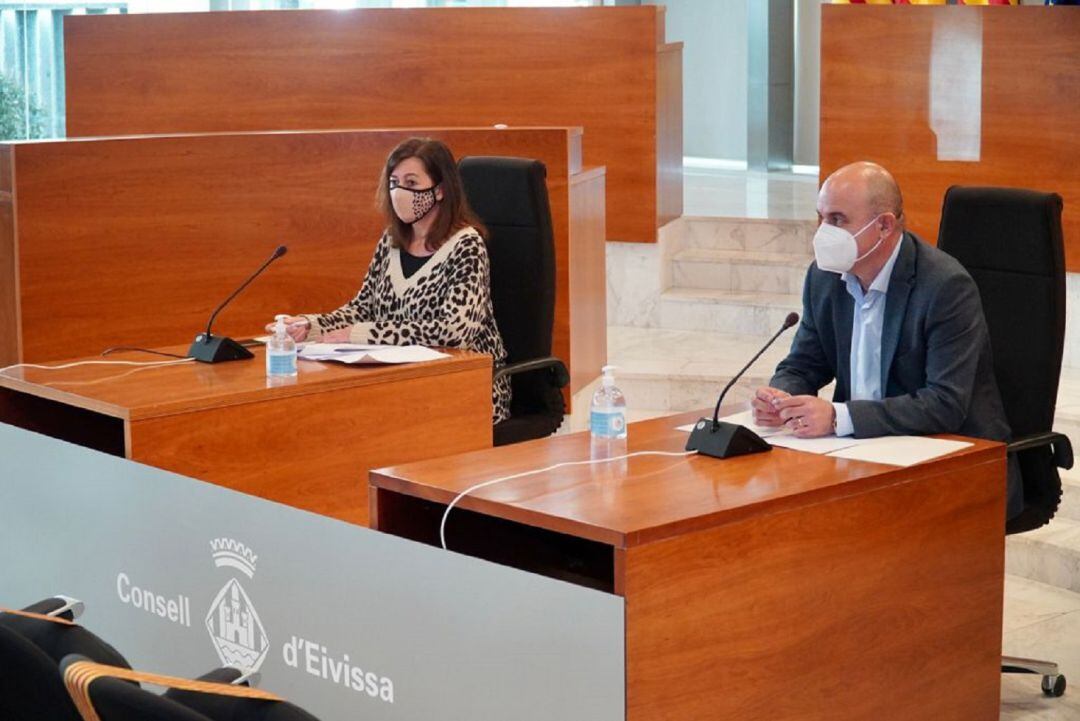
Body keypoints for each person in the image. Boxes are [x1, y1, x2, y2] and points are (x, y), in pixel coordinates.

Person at [751, 161, 1021, 518]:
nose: (822, 233)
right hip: (861, 452)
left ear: (883, 225)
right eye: (820, 218)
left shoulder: (944, 287)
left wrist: (837, 418)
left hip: (952, 458)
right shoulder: (824, 277)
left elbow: (945, 403)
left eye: (837, 220)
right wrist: (782, 396)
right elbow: (804, 363)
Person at [271, 137, 511, 423]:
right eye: (394, 182)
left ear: (440, 190)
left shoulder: (466, 245)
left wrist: (359, 334)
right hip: (402, 381)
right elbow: (362, 308)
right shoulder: (392, 241)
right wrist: (311, 326)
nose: (399, 192)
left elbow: (454, 331)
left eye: (411, 183)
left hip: (466, 387)